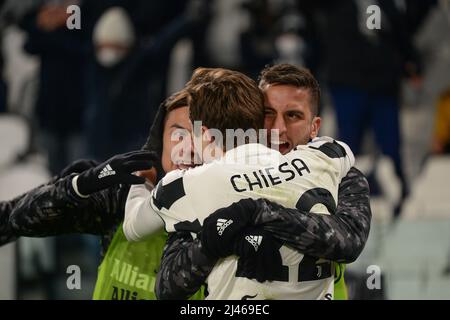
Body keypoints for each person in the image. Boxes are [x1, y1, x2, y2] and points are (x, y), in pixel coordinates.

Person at [6, 66, 370, 300]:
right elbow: (8, 222)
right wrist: (78, 185)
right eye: (180, 134)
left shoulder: (326, 179)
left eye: (292, 116)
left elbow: (347, 240)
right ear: (157, 141)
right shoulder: (119, 195)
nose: (190, 149)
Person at [123, 68, 357, 299]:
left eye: (293, 115)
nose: (279, 129)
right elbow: (342, 152)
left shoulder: (185, 186)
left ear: (205, 133)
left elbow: (132, 228)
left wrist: (143, 174)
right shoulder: (324, 157)